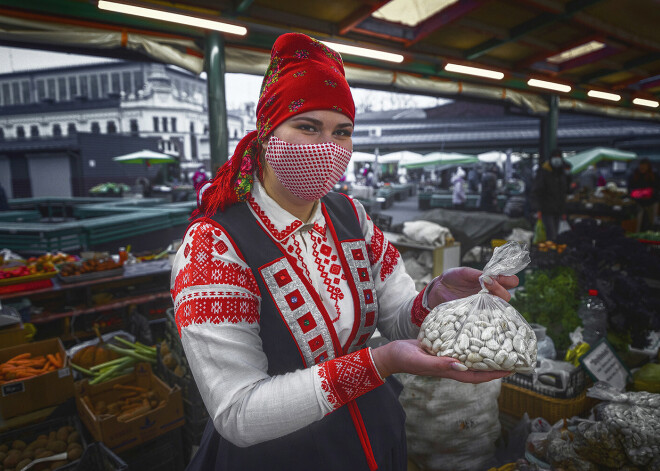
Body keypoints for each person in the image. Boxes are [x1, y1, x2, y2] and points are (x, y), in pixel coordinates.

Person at [171, 33, 515, 471]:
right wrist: (378, 363)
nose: (327, 146)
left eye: (342, 132)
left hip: (373, 435)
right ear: (266, 132)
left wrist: (434, 299)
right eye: (308, 126)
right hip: (280, 457)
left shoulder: (351, 215)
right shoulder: (215, 244)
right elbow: (237, 412)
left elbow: (393, 319)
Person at [533, 149, 571, 241]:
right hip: (546, 209)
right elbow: (537, 191)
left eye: (559, 157)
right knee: (552, 234)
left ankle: (552, 251)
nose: (557, 159)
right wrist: (537, 208)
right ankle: (550, 252)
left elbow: (566, 189)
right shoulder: (544, 172)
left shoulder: (561, 173)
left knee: (556, 234)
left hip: (558, 209)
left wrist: (569, 174)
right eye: (555, 157)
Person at [628, 158, 658, 231]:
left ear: (648, 167)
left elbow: (657, 189)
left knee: (652, 222)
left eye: (644, 166)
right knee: (638, 223)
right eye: (641, 166)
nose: (642, 168)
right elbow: (630, 189)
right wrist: (639, 194)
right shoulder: (634, 175)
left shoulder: (654, 175)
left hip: (651, 202)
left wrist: (648, 193)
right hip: (638, 203)